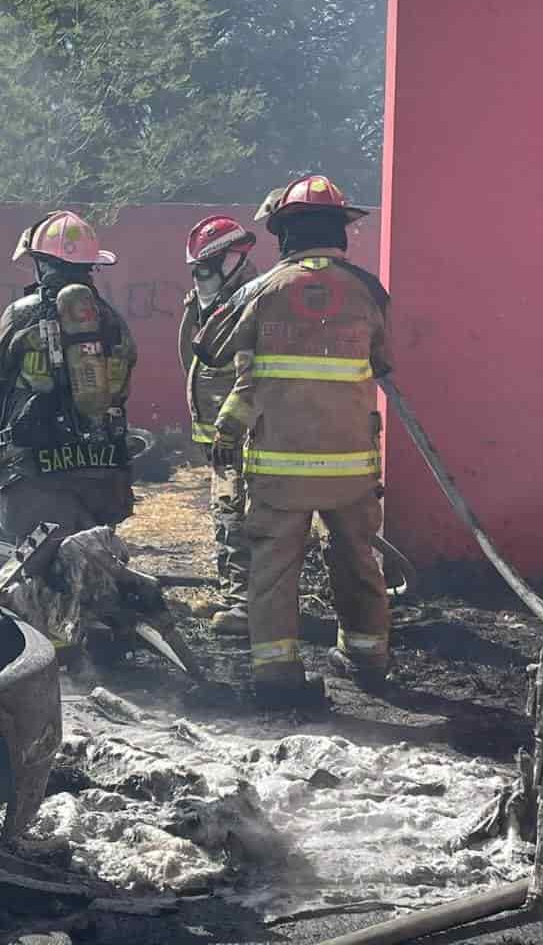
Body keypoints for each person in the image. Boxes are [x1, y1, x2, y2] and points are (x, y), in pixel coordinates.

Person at [193, 175, 392, 710]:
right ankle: (368, 656)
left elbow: (207, 348)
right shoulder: (370, 290)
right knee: (357, 558)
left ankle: (278, 672)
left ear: (283, 233)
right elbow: (385, 361)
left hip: (281, 470)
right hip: (352, 469)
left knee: (274, 568)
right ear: (340, 231)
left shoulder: (259, 292)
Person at [0, 210, 137, 542]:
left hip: (36, 474)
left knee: (38, 566)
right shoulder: (113, 321)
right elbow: (123, 385)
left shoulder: (22, 314)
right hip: (104, 470)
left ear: (42, 264)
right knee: (92, 554)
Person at [178, 214, 260, 635]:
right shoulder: (209, 305)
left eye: (206, 267)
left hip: (244, 436)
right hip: (219, 435)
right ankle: (234, 595)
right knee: (224, 513)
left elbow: (253, 377)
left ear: (234, 259)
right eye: (196, 268)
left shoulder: (252, 302)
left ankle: (245, 607)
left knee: (237, 515)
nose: (199, 277)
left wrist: (230, 430)